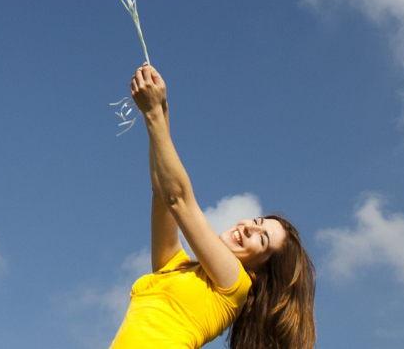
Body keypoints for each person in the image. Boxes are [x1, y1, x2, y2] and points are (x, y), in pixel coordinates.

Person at [111, 64, 316, 349]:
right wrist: (159, 110)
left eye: (262, 239)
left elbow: (179, 200)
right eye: (256, 223)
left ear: (259, 272)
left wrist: (155, 112)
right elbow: (162, 191)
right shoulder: (174, 265)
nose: (248, 229)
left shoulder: (235, 285)